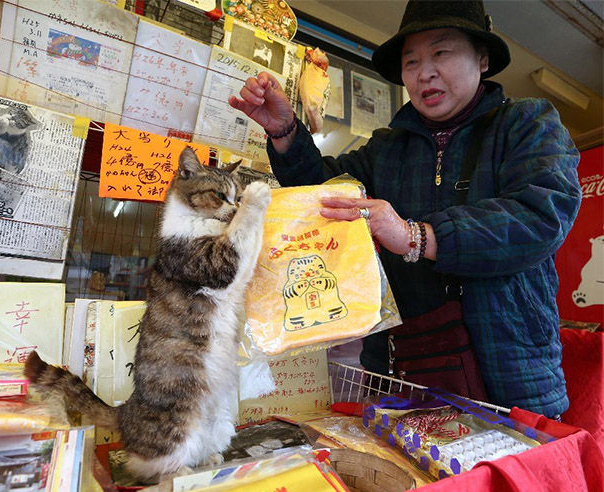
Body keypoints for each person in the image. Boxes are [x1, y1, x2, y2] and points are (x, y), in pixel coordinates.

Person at [228, 0, 581, 418]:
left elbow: (541, 216)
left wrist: (416, 236)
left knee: (511, 461)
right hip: (401, 372)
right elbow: (325, 195)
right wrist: (286, 132)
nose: (423, 72)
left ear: (482, 59)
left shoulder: (527, 123)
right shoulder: (387, 148)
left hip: (513, 371)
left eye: (441, 52)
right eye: (411, 61)